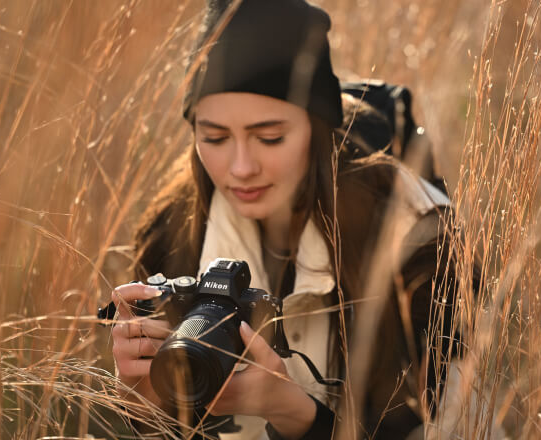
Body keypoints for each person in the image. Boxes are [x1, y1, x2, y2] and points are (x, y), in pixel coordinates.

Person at [109, 0, 455, 439]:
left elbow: (450, 425)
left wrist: (296, 414)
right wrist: (144, 404)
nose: (240, 168)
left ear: (318, 126)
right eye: (213, 136)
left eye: (269, 137)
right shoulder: (172, 228)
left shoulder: (412, 231)